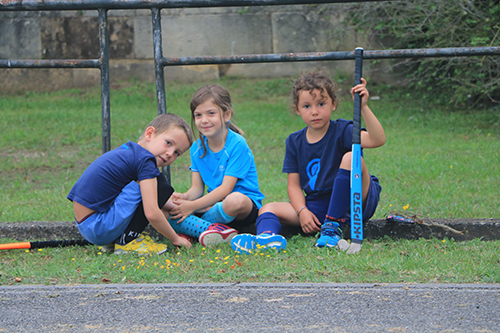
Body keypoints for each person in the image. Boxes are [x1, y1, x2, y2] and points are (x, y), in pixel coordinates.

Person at [231, 71, 386, 254]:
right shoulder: (295, 141)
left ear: (333, 104)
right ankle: (266, 238)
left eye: (321, 104)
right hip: (318, 205)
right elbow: (294, 186)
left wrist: (363, 107)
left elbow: (377, 140)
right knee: (268, 208)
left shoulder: (343, 130)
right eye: (306, 106)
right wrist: (302, 211)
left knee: (352, 157)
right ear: (297, 109)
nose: (314, 112)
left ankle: (332, 227)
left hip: (354, 201)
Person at [67, 113, 197, 254]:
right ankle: (128, 241)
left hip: (88, 224)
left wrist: (177, 206)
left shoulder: (130, 152)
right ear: (149, 134)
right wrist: (175, 239)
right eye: (169, 143)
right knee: (161, 185)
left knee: (158, 193)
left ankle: (116, 240)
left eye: (177, 153)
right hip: (99, 226)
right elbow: (152, 213)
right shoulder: (146, 161)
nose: (170, 153)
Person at [167, 84, 265, 247]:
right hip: (213, 205)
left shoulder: (237, 144)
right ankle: (214, 230)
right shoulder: (197, 148)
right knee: (168, 206)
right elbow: (197, 189)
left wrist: (191, 206)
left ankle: (196, 228)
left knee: (234, 200)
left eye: (211, 113)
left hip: (243, 206)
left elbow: (226, 189)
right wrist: (184, 198)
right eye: (198, 115)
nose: (204, 120)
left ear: (226, 115)